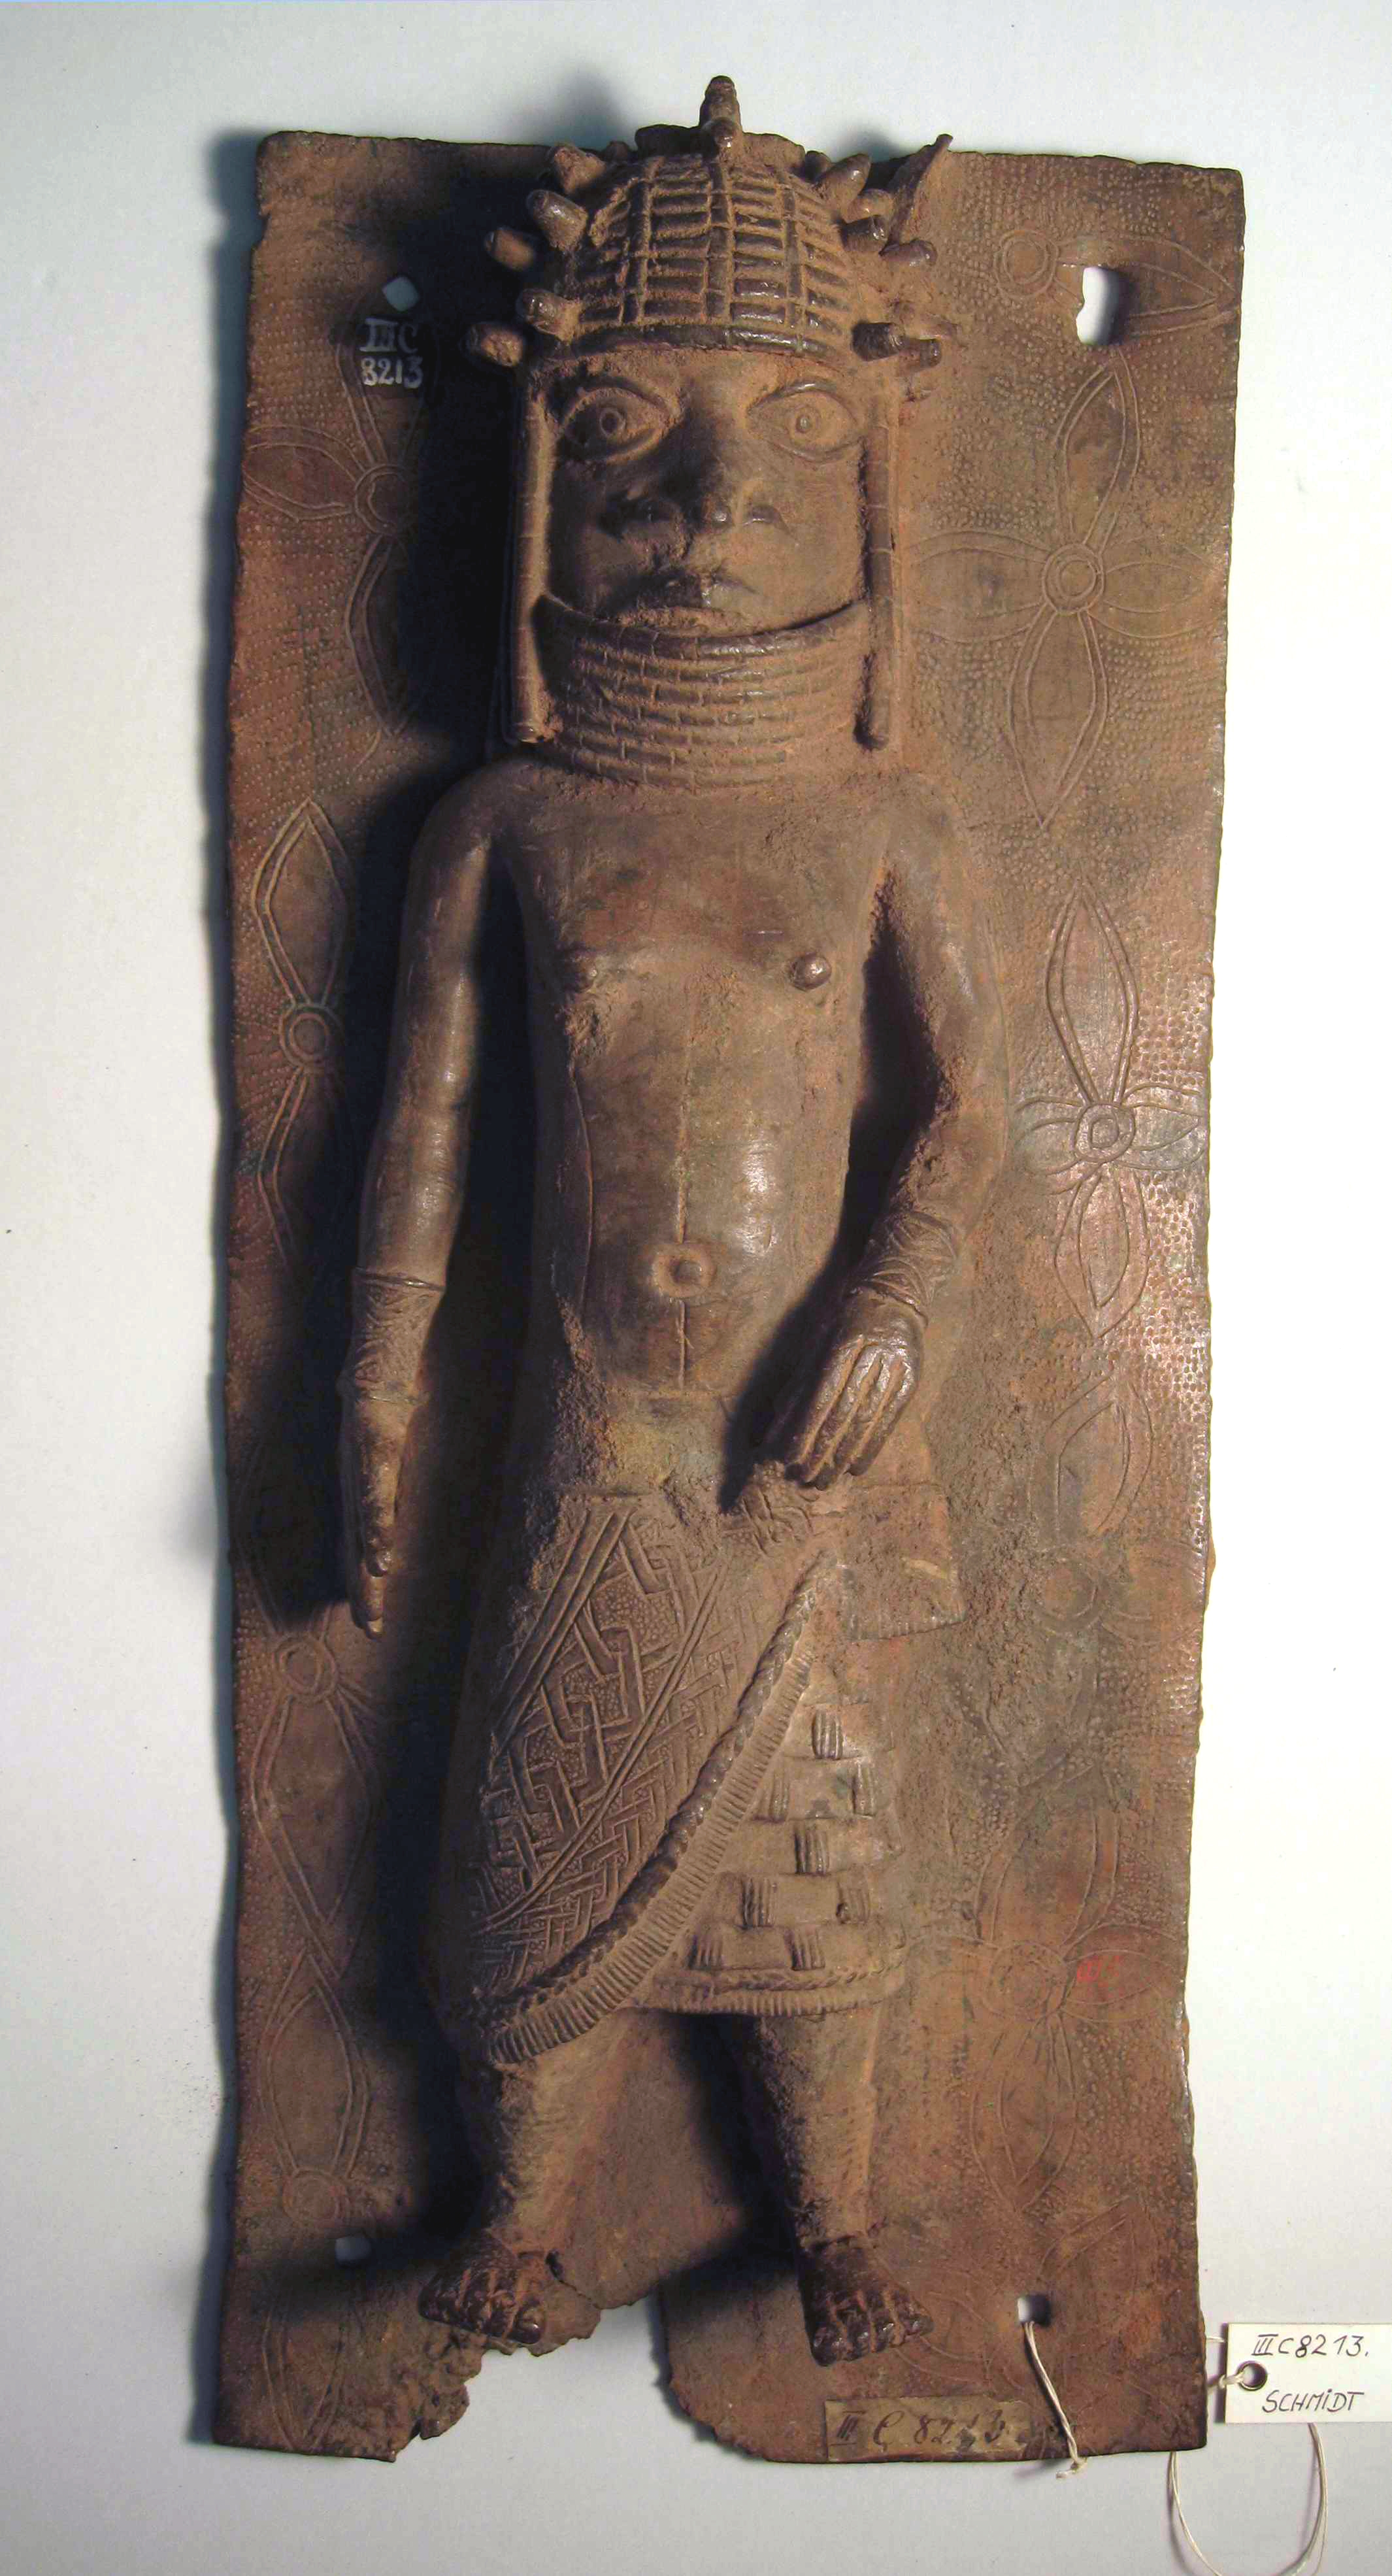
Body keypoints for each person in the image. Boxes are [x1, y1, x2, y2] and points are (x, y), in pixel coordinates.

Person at [339, 80, 1006, 2367]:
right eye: (623, 426)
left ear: (864, 474)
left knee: (819, 1846)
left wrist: (891, 1309)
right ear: (547, 468)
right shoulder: (509, 823)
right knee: (538, 1831)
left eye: (787, 431)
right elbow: (419, 1137)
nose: (707, 503)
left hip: (794, 1434)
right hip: (596, 1437)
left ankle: (835, 2221)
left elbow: (973, 1114)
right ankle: (513, 2224)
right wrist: (368, 1386)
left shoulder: (879, 825)